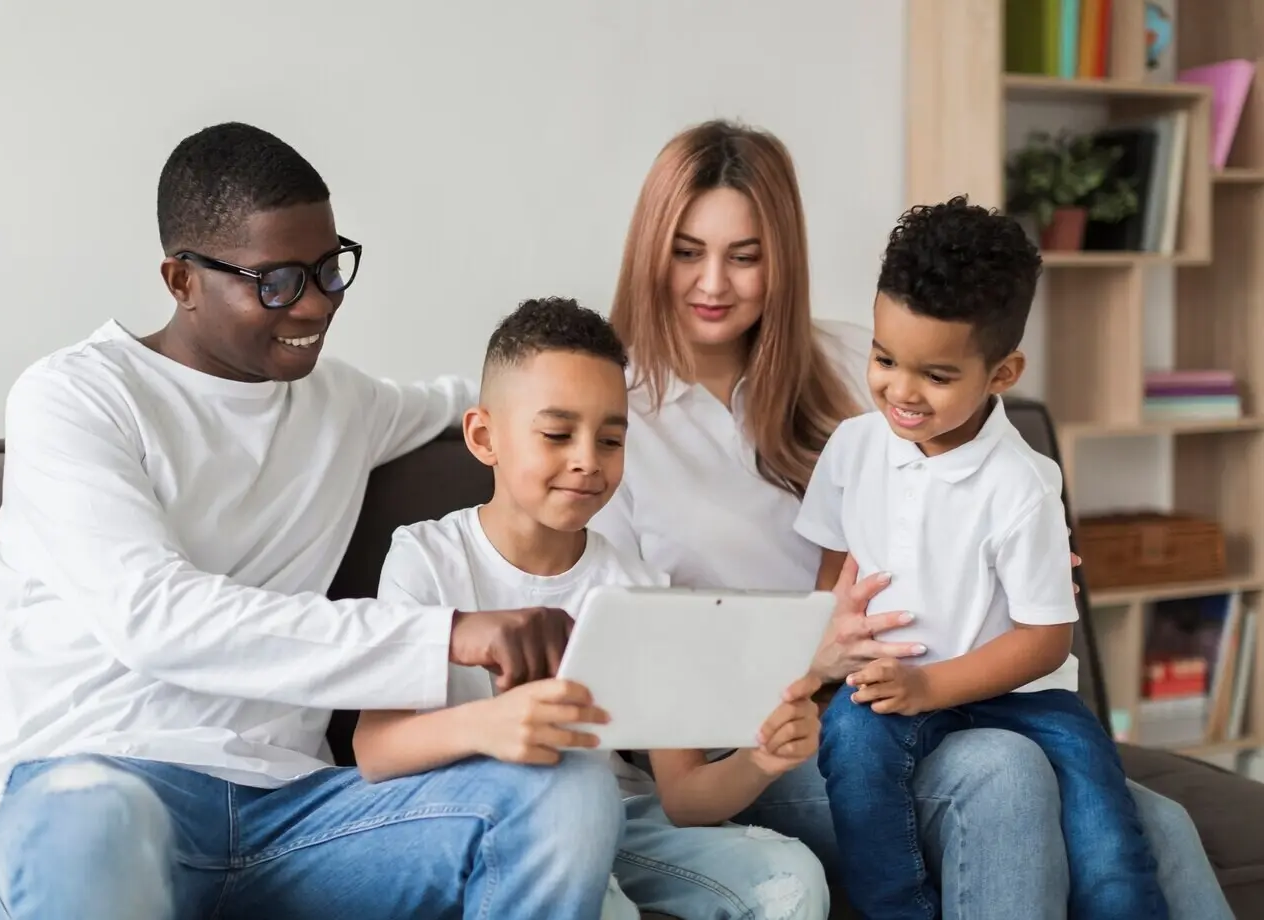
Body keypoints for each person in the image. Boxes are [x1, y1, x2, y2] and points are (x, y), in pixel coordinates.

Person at [0, 122, 627, 920]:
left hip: (291, 819)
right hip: (98, 791)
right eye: (275, 280)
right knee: (92, 813)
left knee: (565, 788)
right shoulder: (76, 398)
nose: (313, 304)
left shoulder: (341, 402)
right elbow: (156, 618)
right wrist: (446, 634)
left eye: (327, 269)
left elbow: (483, 404)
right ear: (182, 279)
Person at [589, 118, 1234, 919]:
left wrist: (1019, 559)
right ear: (650, 247)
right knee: (1002, 774)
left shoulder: (857, 362)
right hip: (770, 736)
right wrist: (815, 658)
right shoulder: (609, 423)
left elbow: (974, 476)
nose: (713, 282)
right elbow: (644, 661)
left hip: (928, 693)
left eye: (745, 255)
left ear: (782, 257)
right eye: (688, 249)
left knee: (1162, 826)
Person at [357, 295, 830, 920]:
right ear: (483, 436)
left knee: (793, 879)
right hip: (497, 822)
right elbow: (375, 748)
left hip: (624, 817)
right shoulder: (428, 557)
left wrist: (761, 760)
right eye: (557, 434)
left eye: (611, 439)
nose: (588, 460)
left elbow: (685, 798)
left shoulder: (636, 583)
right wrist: (495, 727)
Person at [798, 196, 1168, 920]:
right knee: (851, 735)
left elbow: (1044, 639)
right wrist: (828, 662)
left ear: (1001, 374)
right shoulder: (851, 449)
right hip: (890, 685)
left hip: (1023, 701)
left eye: (935, 376)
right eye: (883, 359)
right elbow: (830, 580)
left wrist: (928, 688)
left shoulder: (1022, 486)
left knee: (1109, 848)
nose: (900, 391)